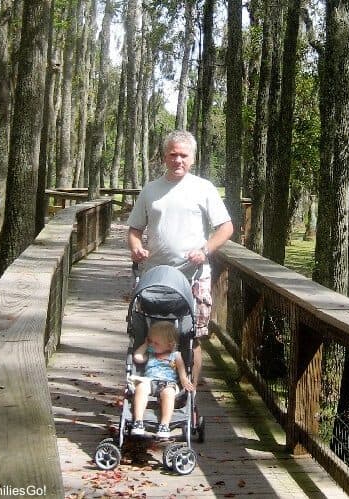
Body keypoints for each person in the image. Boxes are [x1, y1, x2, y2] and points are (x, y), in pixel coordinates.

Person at [127, 130, 234, 387]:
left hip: (194, 276)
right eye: (173, 154)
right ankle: (144, 388)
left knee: (191, 336)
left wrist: (205, 250)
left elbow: (226, 228)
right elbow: (134, 230)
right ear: (164, 156)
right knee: (147, 334)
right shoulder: (151, 190)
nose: (178, 160)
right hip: (154, 278)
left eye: (184, 156)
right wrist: (136, 248)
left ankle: (190, 395)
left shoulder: (203, 188)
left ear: (193, 158)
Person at [131, 321, 194, 438]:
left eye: (156, 343)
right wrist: (145, 345)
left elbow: (181, 370)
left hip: (169, 383)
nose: (152, 345)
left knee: (169, 394)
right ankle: (138, 421)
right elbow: (137, 357)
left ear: (170, 345)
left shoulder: (175, 355)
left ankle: (164, 425)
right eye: (150, 341)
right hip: (150, 381)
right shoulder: (150, 353)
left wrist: (184, 379)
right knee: (140, 387)